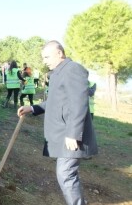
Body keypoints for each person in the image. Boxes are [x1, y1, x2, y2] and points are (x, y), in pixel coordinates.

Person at [17, 40, 98, 205]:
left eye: (47, 56)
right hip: (62, 133)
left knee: (66, 173)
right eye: (43, 57)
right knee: (66, 173)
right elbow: (56, 101)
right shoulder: (57, 73)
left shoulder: (72, 69)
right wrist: (33, 108)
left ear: (60, 53)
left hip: (70, 134)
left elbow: (79, 103)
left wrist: (73, 134)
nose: (44, 60)